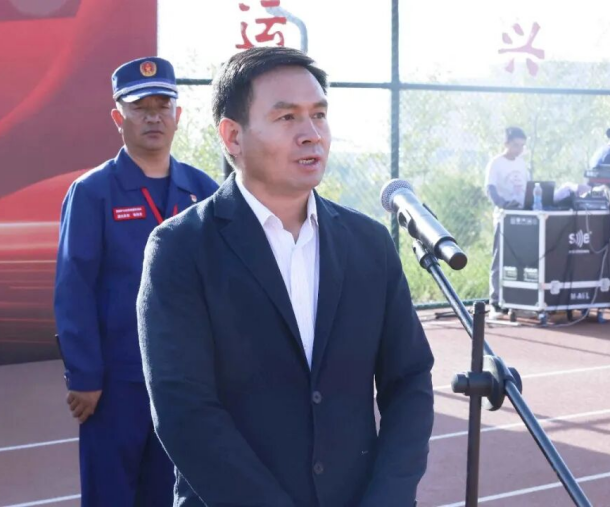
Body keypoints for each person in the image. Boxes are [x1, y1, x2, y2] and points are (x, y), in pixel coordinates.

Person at [137, 47, 434, 507]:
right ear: (232, 136)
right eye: (287, 117)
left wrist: (388, 499)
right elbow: (184, 410)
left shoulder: (369, 244)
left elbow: (409, 380)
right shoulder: (180, 248)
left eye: (319, 115)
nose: (311, 134)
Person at [54, 56, 219, 506]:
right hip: (116, 383)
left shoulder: (203, 192)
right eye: (140, 107)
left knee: (173, 495)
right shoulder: (92, 192)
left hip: (184, 380)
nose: (153, 117)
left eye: (162, 106)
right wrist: (84, 374)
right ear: (118, 117)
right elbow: (74, 288)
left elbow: (222, 286)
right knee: (110, 495)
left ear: (178, 115)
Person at [484, 126, 530, 317]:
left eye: (522, 146)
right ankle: (496, 303)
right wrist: (503, 205)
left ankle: (518, 301)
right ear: (506, 143)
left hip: (523, 219)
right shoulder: (496, 163)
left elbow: (529, 187)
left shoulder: (522, 163)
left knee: (522, 260)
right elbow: (490, 189)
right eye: (516, 145)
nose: (519, 149)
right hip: (504, 218)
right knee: (500, 259)